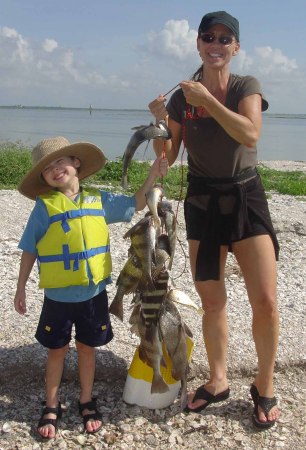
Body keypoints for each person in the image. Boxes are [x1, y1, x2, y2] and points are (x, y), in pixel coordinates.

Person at [149, 10, 280, 429]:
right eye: (209, 37)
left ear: (236, 47)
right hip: (203, 200)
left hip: (246, 197)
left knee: (266, 301)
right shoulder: (180, 98)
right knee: (212, 300)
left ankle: (265, 385)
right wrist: (158, 123)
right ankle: (218, 380)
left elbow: (250, 133)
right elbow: (167, 157)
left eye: (225, 39)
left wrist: (206, 101)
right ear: (198, 44)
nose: (216, 45)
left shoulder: (246, 87)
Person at [14, 136, 168, 439]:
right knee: (56, 351)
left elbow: (138, 202)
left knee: (87, 348)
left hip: (93, 295)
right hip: (57, 298)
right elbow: (29, 248)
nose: (56, 169)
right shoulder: (44, 208)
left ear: (76, 163)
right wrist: (20, 288)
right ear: (43, 178)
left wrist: (153, 173)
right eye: (47, 168)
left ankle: (86, 399)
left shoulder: (100, 200)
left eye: (61, 161)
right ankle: (51, 404)